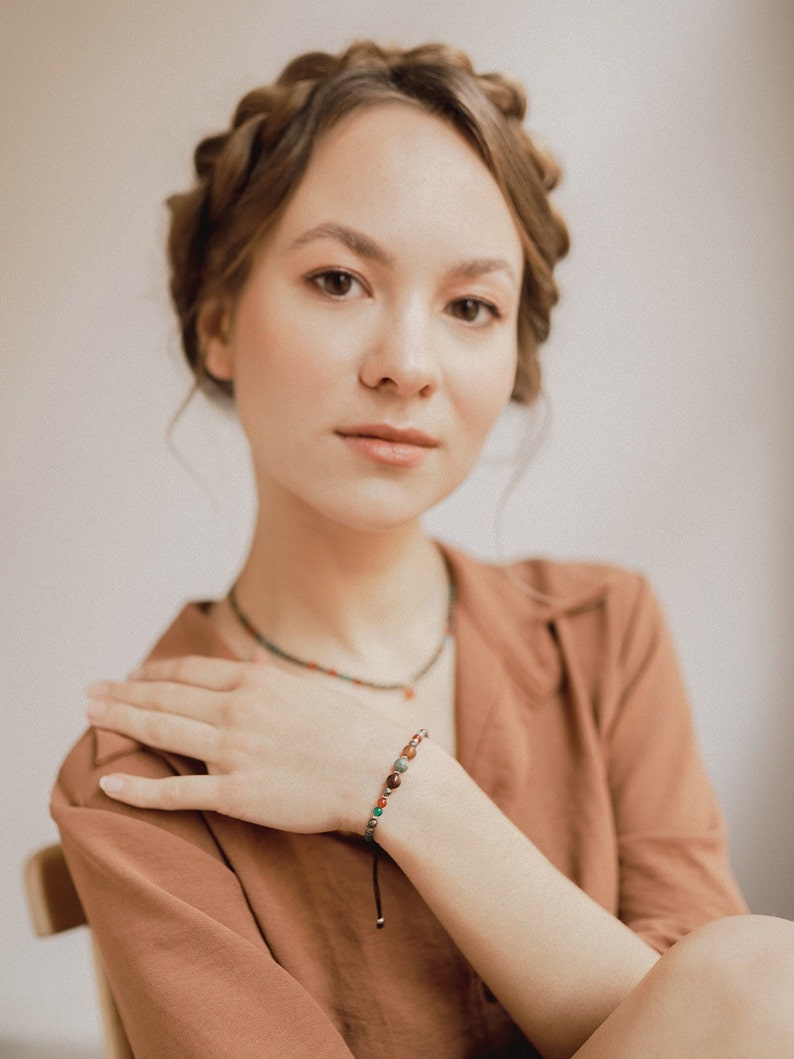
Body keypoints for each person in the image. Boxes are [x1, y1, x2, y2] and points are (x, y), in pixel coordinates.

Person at [51, 40, 794, 1059]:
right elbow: (721, 1018)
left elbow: (738, 1017)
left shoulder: (601, 633)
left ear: (513, 358)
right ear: (217, 322)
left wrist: (398, 785)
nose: (405, 365)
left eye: (469, 307)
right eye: (337, 280)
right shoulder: (141, 768)